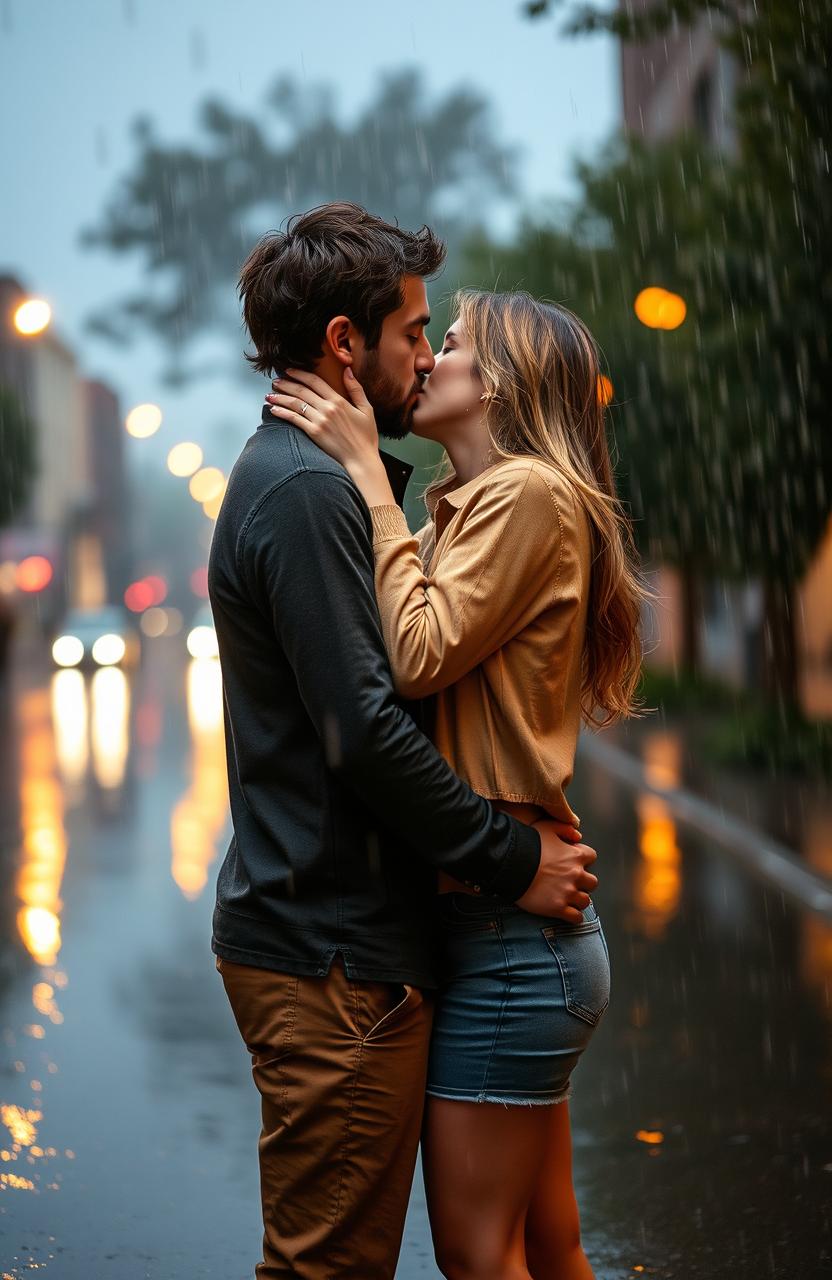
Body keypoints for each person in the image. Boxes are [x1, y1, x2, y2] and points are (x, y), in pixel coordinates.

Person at [208, 203, 599, 1280]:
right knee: (340, 1264)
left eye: (443, 338)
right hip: (334, 957)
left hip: (363, 952)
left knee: (488, 1248)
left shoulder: (346, 484)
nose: (426, 355)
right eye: (417, 330)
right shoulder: (305, 491)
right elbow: (370, 728)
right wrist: (515, 857)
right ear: (345, 344)